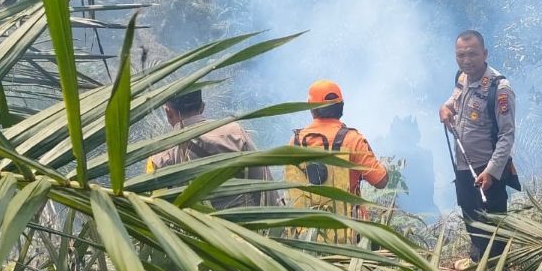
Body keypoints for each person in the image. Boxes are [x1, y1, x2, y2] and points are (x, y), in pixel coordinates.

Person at [439, 30, 520, 266]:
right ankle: (478, 261)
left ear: (484, 54)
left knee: (493, 223)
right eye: (460, 55)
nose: (466, 60)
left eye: (472, 54)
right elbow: (454, 100)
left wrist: (492, 171)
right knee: (470, 214)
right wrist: (444, 108)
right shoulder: (462, 78)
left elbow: (507, 135)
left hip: (487, 169)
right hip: (464, 164)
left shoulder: (499, 88)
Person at [145, 90, 280, 209]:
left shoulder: (159, 157)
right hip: (247, 230)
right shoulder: (234, 132)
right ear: (202, 107)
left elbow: (158, 210)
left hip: (197, 235)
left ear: (168, 112)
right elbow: (264, 185)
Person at [285, 80, 388, 235]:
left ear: (311, 108)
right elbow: (381, 181)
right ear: (341, 107)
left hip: (304, 234)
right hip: (350, 233)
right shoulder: (353, 140)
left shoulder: (295, 143)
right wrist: (383, 166)